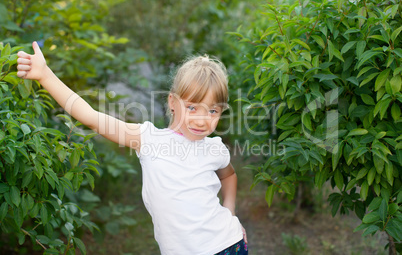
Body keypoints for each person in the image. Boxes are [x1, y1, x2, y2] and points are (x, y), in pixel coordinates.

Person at [17, 42, 248, 255]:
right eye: (192, 107)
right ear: (172, 102)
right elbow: (92, 118)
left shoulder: (214, 148)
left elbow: (229, 175)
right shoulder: (148, 139)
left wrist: (230, 211)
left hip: (227, 245)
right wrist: (45, 75)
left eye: (213, 111)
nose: (202, 119)